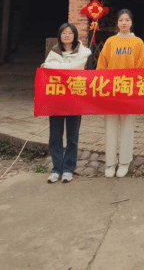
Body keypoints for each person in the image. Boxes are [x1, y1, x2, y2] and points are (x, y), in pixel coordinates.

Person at [97, 9, 144, 178]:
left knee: (127, 128)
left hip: (129, 92)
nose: (124, 23)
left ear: (131, 22)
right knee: (110, 128)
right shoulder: (110, 42)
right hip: (111, 92)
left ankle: (124, 162)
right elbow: (102, 66)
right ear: (117, 23)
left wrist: (136, 89)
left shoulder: (138, 42)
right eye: (121, 20)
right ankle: (110, 163)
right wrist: (104, 87)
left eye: (127, 20)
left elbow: (142, 68)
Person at [43, 23, 91, 183]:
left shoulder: (84, 52)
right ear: (59, 35)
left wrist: (59, 68)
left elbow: (77, 69)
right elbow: (48, 66)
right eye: (63, 33)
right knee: (55, 137)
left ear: (75, 35)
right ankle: (57, 169)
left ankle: (69, 169)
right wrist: (63, 68)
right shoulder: (54, 52)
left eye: (70, 33)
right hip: (56, 100)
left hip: (75, 99)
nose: (67, 35)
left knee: (72, 137)